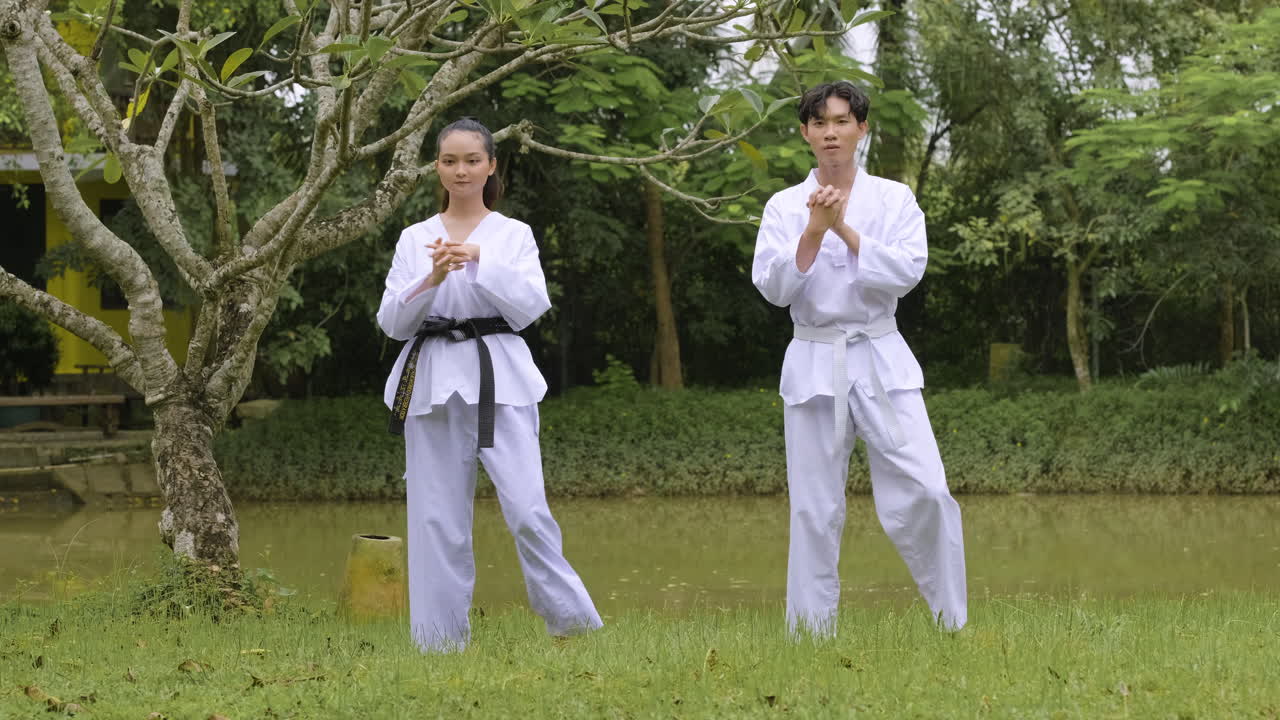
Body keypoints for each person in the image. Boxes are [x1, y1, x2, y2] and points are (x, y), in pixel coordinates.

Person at [377, 117, 602, 652]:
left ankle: (571, 622)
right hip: (431, 377)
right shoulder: (414, 239)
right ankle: (438, 641)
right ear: (437, 166)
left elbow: (530, 307)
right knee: (436, 518)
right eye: (450, 161)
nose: (461, 171)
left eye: (472, 160)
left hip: (499, 375)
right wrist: (429, 280)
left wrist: (480, 260)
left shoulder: (513, 235)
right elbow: (391, 321)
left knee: (527, 508)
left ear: (491, 165)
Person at [751, 81, 967, 636]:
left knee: (928, 488)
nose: (831, 132)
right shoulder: (781, 206)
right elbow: (773, 288)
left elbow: (907, 271)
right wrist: (811, 232)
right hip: (814, 356)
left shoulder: (894, 199)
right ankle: (809, 633)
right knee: (813, 507)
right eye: (819, 123)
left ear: (862, 129)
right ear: (804, 133)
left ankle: (952, 621)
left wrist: (842, 228)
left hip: (879, 352)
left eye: (842, 121)